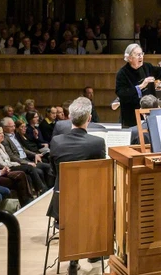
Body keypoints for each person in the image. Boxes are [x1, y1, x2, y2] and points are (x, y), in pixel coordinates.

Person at [48, 96, 107, 275]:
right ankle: (95, 252)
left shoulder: (56, 142)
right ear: (89, 118)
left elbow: (53, 172)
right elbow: (101, 176)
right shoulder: (97, 143)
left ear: (69, 117)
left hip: (61, 205)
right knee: (105, 203)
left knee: (76, 208)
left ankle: (74, 258)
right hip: (89, 206)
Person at [115, 44, 161, 127]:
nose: (141, 57)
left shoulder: (147, 67)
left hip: (150, 113)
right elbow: (122, 94)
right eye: (137, 55)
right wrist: (141, 86)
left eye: (142, 54)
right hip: (131, 116)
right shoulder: (122, 73)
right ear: (129, 58)